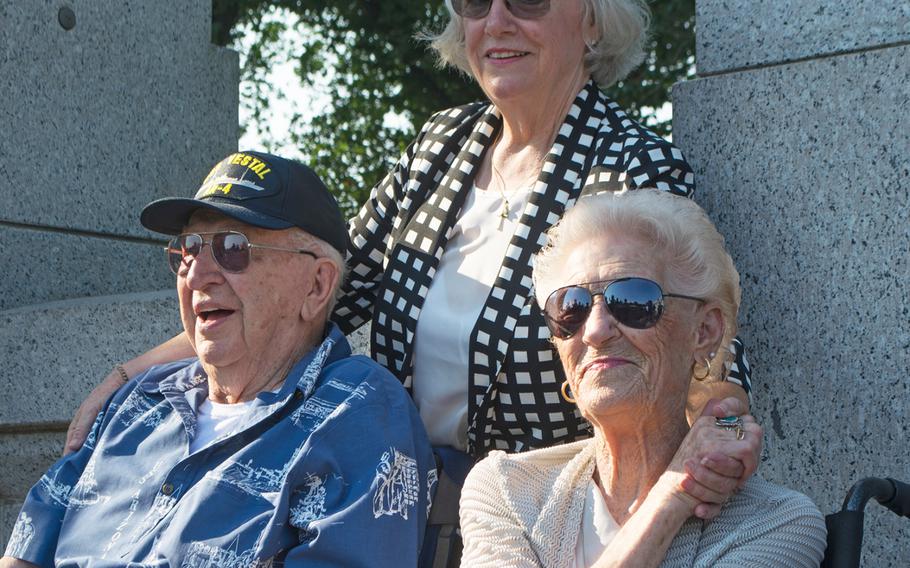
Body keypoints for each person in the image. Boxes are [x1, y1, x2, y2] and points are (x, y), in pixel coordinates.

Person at [68, 0, 752, 465]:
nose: (498, 21)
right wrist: (129, 377)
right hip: (400, 508)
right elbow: (309, 297)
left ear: (594, 21)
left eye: (530, 0)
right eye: (475, 2)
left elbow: (702, 351)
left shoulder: (633, 166)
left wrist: (720, 431)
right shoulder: (439, 147)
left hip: (553, 516)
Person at [1, 152, 436, 567]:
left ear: (317, 286)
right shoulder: (139, 400)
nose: (197, 273)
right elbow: (24, 551)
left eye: (233, 248)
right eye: (189, 248)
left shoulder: (357, 410)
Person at [459, 189, 827, 567]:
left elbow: (735, 425)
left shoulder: (777, 524)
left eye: (633, 301)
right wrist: (670, 496)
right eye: (571, 308)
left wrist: (727, 430)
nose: (595, 331)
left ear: (704, 330)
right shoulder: (506, 490)